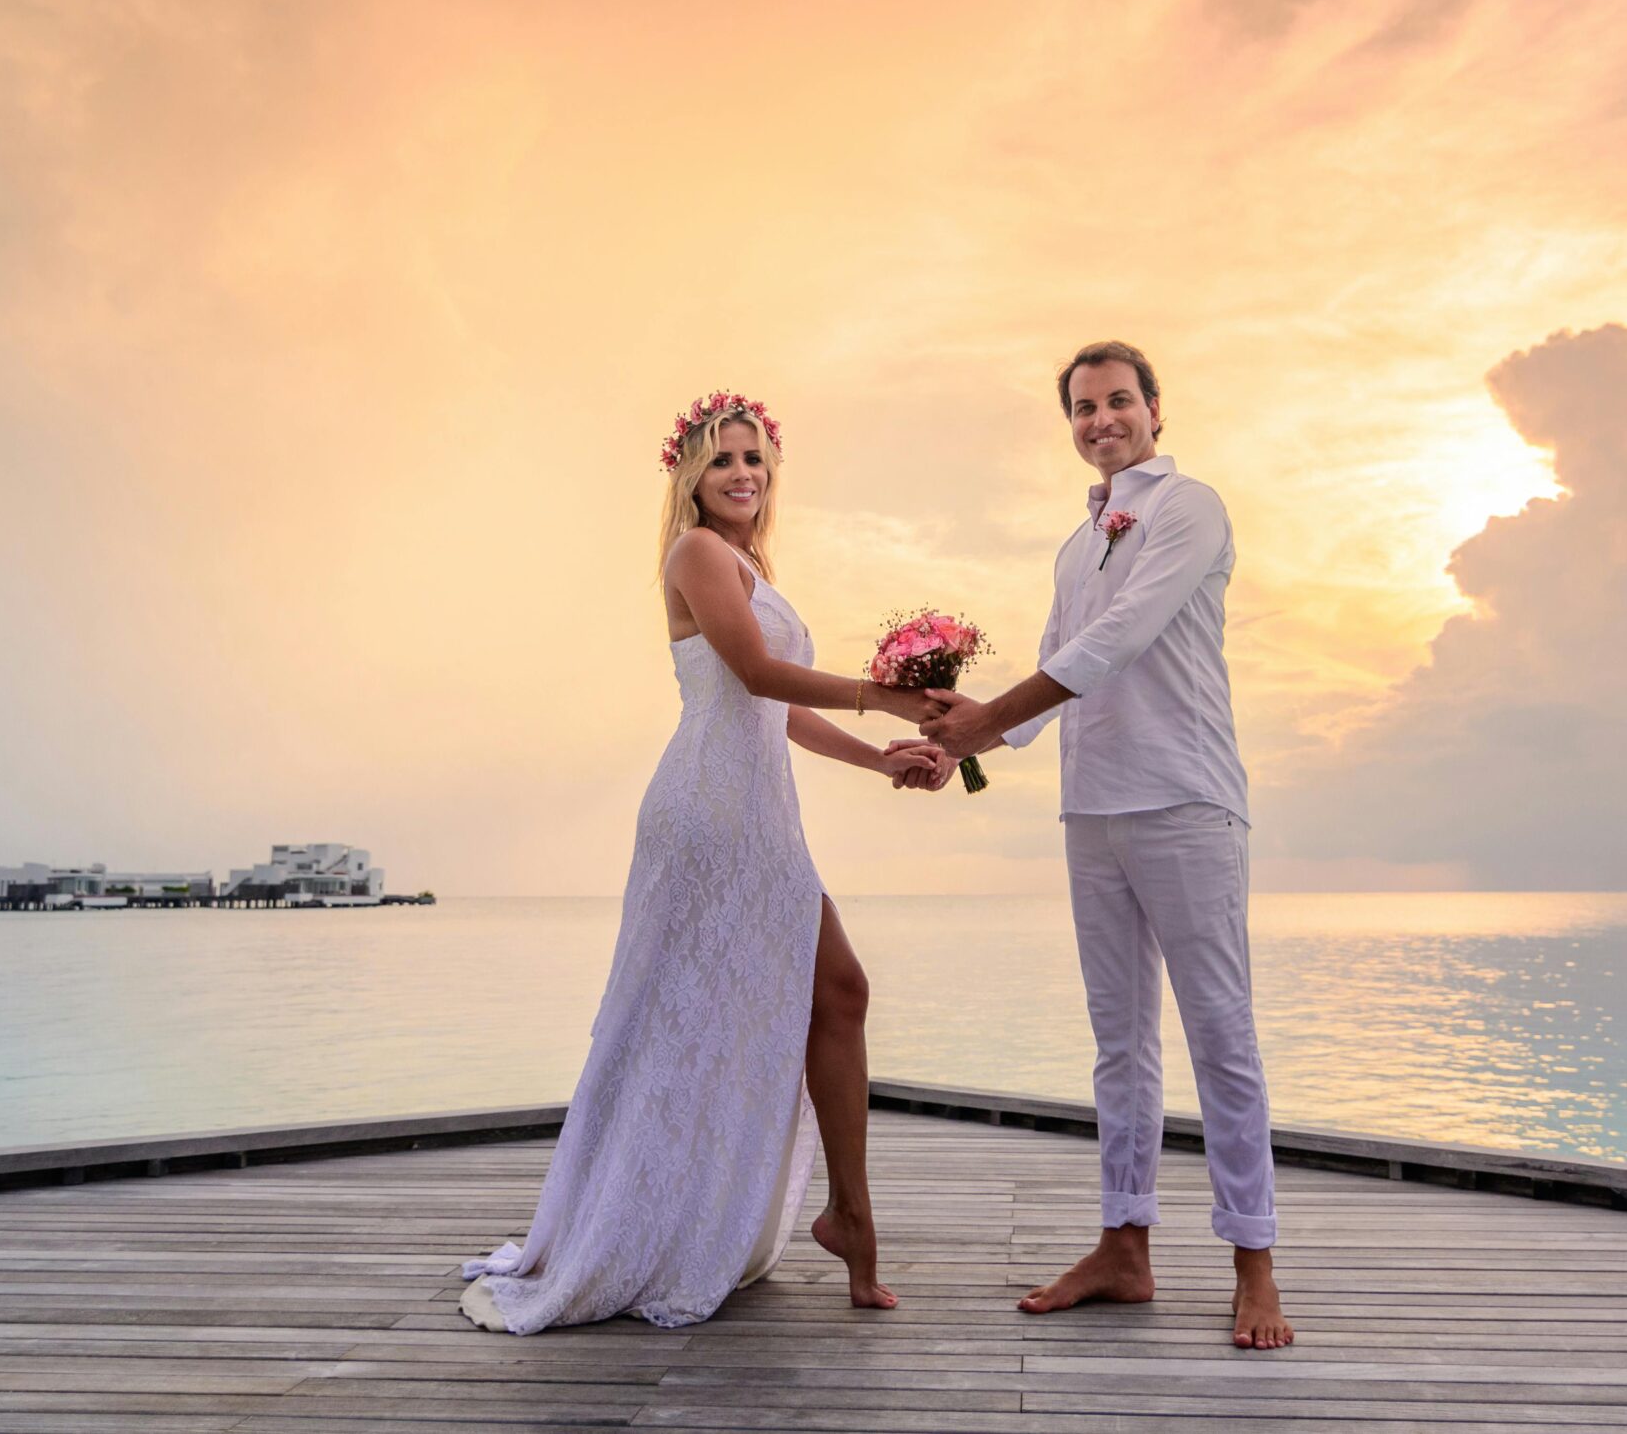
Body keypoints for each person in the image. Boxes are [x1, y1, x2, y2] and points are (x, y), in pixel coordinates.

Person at [459, 392, 957, 1333]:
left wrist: (878, 759)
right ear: (692, 475)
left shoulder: (753, 564)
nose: (742, 474)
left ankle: (848, 1216)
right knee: (705, 1009)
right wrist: (888, 699)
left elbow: (779, 714)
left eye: (755, 460)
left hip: (760, 811)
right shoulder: (694, 552)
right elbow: (761, 676)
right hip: (707, 817)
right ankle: (798, 1217)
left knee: (833, 994)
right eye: (723, 460)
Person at [922, 341, 1293, 1349]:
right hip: (1092, 811)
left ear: (1156, 411)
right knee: (1119, 1041)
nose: (1101, 420)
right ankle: (1123, 1250)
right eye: (1083, 409)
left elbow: (1117, 643)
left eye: (1118, 401)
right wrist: (953, 743)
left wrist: (980, 719)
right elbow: (1052, 675)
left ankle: (1252, 1265)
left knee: (1221, 1034)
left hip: (1185, 802)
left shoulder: (1189, 507)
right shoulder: (1075, 538)